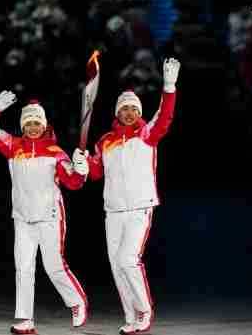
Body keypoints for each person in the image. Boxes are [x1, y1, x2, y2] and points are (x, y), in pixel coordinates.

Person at [73, 58, 180, 334]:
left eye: (134, 108)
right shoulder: (105, 141)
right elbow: (96, 172)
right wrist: (84, 165)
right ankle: (131, 318)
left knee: (128, 260)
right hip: (113, 210)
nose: (130, 112)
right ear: (117, 112)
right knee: (116, 266)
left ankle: (145, 309)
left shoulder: (147, 134)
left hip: (139, 208)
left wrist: (169, 87)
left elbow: (164, 116)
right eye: (125, 109)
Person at [0, 91, 89, 334]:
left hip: (50, 217)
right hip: (22, 218)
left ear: (44, 125)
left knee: (53, 266)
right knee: (23, 267)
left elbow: (73, 182)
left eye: (37, 123)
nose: (32, 127)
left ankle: (76, 301)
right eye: (28, 123)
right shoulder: (12, 146)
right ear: (22, 126)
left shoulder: (55, 151)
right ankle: (24, 319)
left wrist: (81, 170)